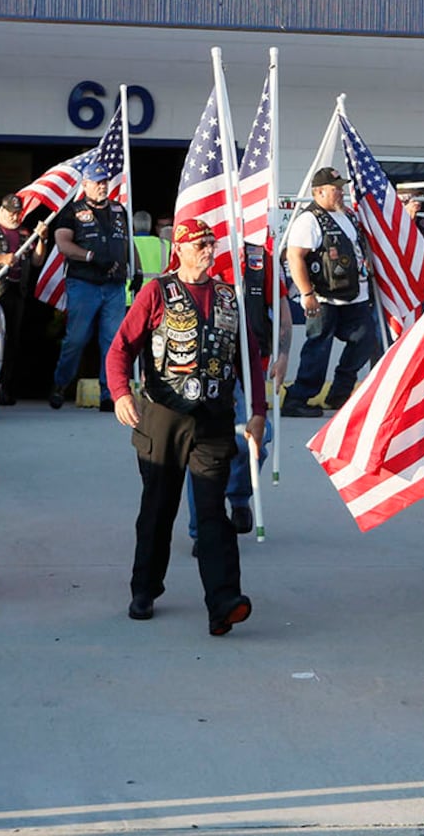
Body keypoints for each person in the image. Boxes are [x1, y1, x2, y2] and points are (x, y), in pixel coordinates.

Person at [107, 221, 266, 635]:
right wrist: (121, 393)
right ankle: (144, 589)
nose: (208, 249)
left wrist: (259, 411)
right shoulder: (157, 292)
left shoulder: (229, 298)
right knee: (159, 508)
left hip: (213, 420)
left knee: (214, 512)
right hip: (163, 417)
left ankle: (224, 602)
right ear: (180, 248)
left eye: (211, 242)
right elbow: (121, 347)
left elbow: (247, 357)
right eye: (199, 244)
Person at [187, 240, 283, 545]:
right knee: (199, 450)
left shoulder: (259, 255)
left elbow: (279, 307)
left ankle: (239, 495)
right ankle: (202, 530)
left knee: (256, 439)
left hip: (248, 369)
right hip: (203, 371)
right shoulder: (199, 251)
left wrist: (283, 353)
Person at [281, 168, 376, 417]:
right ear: (319, 191)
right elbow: (295, 256)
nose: (340, 192)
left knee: (365, 339)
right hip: (323, 297)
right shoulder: (309, 219)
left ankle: (339, 394)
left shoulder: (347, 216)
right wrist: (307, 293)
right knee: (318, 347)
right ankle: (297, 399)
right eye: (335, 188)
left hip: (355, 295)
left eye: (340, 187)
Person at [49, 162, 131, 410]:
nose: (102, 186)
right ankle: (60, 384)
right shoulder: (72, 211)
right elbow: (63, 243)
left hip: (114, 286)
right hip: (84, 283)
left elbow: (127, 241)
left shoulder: (119, 209)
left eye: (105, 181)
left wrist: (134, 267)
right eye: (97, 182)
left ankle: (108, 394)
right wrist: (90, 257)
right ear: (85, 185)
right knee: (77, 338)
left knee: (112, 340)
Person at [0, 193, 45, 406]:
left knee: (12, 342)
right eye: (10, 212)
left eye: (18, 213)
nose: (14, 217)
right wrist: (0, 259)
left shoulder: (25, 232)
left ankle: (5, 388)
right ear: (1, 210)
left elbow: (37, 260)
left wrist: (42, 238)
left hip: (18, 292)